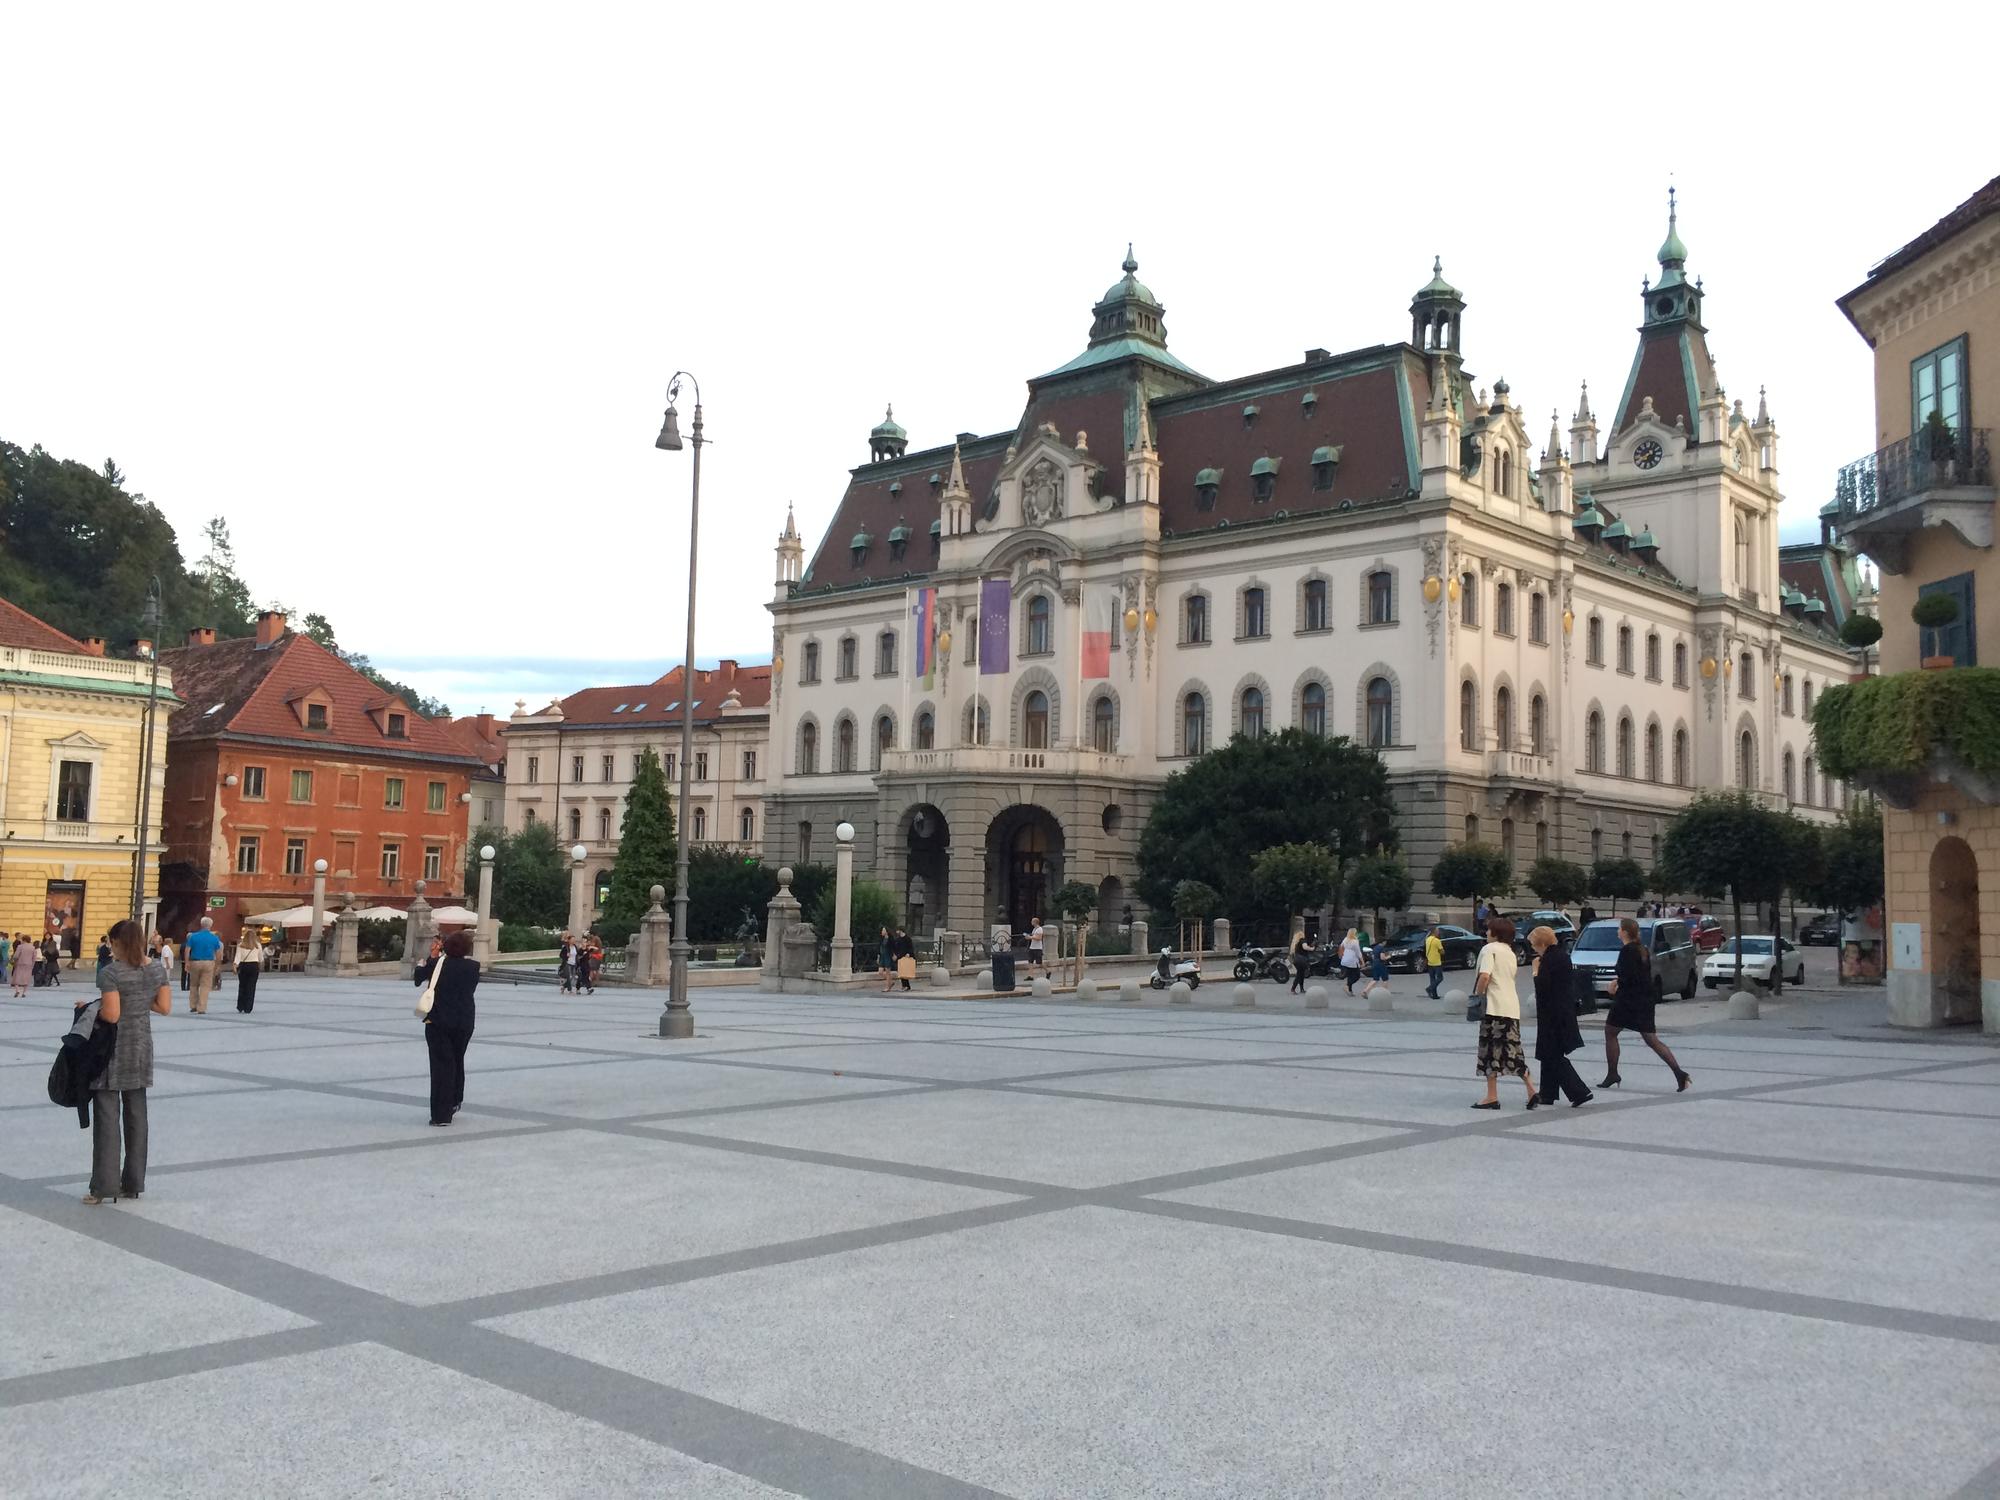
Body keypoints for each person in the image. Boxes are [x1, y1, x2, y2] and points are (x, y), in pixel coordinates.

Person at [85, 919, 172, 1204]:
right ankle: (133, 1182)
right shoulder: (157, 969)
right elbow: (164, 1007)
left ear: (117, 942)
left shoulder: (111, 973)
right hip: (141, 1047)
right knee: (137, 1115)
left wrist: (90, 1009)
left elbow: (111, 1015)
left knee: (107, 1118)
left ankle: (104, 1186)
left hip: (111, 1050)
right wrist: (139, 999)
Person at [1602, 916, 1690, 1092]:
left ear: (1625, 932)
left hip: (1628, 1000)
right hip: (1644, 1000)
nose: (1617, 931)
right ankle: (1679, 1073)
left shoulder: (1627, 951)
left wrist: (1615, 986)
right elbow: (1638, 975)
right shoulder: (1642, 949)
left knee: (1610, 1032)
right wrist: (1619, 980)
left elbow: (1629, 977)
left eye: (1619, 929)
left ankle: (1613, 1073)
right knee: (1651, 1039)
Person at [1471, 916, 1538, 1110]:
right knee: (1512, 1050)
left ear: (1496, 933)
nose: (1486, 933)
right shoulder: (1510, 952)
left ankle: (1491, 1096)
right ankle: (1531, 1089)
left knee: (1489, 1052)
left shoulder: (1489, 949)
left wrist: (1477, 996)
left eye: (1489, 930)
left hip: (1493, 1007)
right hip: (1511, 1007)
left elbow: (1485, 976)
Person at [413, 930, 479, 1126]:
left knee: (442, 1066)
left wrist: (426, 961)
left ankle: (441, 1115)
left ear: (446, 947)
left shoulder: (437, 964)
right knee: (457, 1060)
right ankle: (455, 1100)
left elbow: (418, 978)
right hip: (464, 1021)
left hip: (439, 1021)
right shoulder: (473, 967)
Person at [1528, 925, 1592, 1108]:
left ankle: (1579, 1091)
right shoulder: (1561, 955)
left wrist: (1535, 971)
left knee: (1552, 1055)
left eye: (1533, 944)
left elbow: (1543, 986)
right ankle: (1547, 1093)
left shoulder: (1548, 960)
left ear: (1541, 943)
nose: (1532, 947)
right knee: (1548, 1052)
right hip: (1562, 1011)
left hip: (1553, 1013)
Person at [184, 917, 222, 1014]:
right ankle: (201, 1008)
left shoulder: (193, 936)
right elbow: (218, 953)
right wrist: (217, 964)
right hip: (209, 962)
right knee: (205, 986)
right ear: (210, 925)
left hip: (195, 962)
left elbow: (187, 950)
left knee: (193, 984)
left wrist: (187, 962)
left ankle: (193, 1005)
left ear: (201, 924)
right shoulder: (214, 938)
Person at [233, 927, 265, 1013]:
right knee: (251, 987)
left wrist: (235, 965)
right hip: (254, 966)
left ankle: (240, 1006)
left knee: (242, 986)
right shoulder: (257, 945)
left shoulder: (241, 945)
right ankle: (248, 1007)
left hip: (243, 965)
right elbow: (261, 958)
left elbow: (237, 957)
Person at [1288, 928, 1314, 995]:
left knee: (1301, 974)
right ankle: (1293, 989)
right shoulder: (1302, 940)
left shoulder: (1296, 943)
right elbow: (1305, 947)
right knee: (1299, 975)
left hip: (1297, 960)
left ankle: (1301, 989)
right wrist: (1312, 948)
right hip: (1301, 960)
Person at [1425, 927, 1447, 1000]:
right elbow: (1442, 951)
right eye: (1437, 931)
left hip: (1429, 962)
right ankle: (1429, 988)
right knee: (1440, 978)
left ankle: (1434, 995)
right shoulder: (1437, 941)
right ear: (1434, 932)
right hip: (1436, 962)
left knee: (1432, 978)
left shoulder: (1427, 940)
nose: (1438, 933)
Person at [1338, 928, 1363, 994]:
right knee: (1357, 976)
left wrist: (1341, 956)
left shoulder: (1345, 939)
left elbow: (1341, 947)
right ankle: (1347, 986)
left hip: (1345, 959)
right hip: (1352, 961)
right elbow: (1358, 952)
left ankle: (1350, 990)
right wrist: (1362, 961)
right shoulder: (1355, 941)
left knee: (1350, 975)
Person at [877, 925, 896, 993]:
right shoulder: (881, 938)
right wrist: (878, 956)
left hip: (888, 956)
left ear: (887, 931)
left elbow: (893, 947)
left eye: (883, 930)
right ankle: (890, 982)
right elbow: (879, 947)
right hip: (882, 956)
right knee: (880, 972)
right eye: (882, 930)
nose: (882, 932)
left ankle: (887, 987)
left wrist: (894, 955)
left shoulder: (890, 939)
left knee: (888, 972)